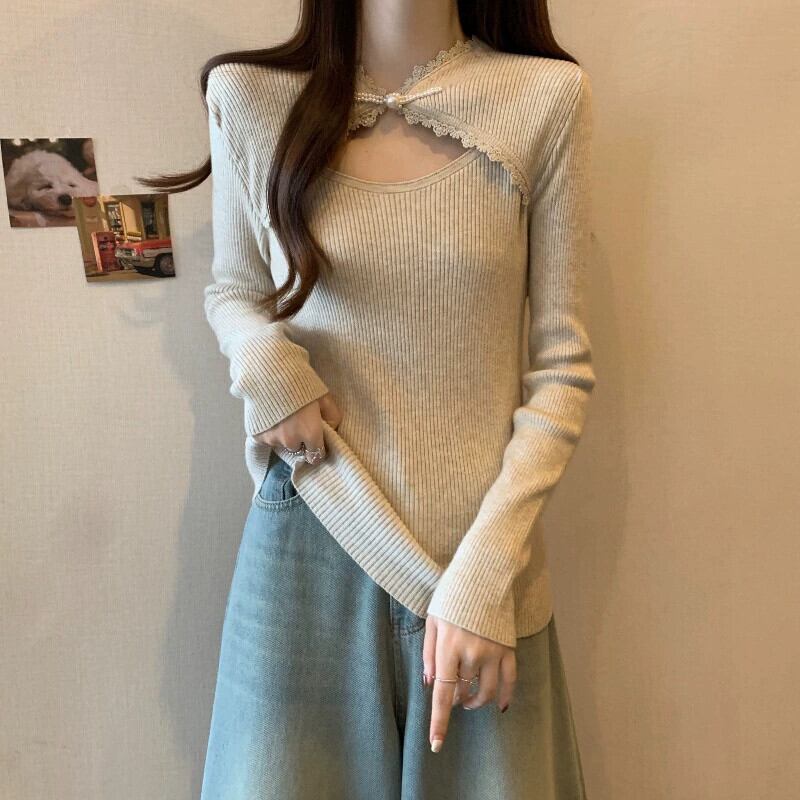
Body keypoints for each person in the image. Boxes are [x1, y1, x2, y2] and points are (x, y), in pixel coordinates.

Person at [142, 1, 596, 796]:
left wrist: (487, 574)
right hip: (313, 529)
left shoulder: (546, 99)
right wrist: (265, 366)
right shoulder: (248, 96)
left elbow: (561, 367)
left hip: (481, 566)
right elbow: (235, 290)